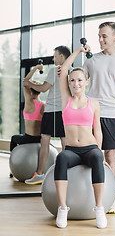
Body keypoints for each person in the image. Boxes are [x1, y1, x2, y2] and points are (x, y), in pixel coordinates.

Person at [54, 46, 107, 229]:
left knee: (97, 157)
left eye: (80, 80)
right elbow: (64, 71)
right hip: (72, 151)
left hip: (90, 148)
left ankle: (99, 208)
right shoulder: (66, 99)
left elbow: (97, 129)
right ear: (69, 82)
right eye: (73, 80)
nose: (76, 84)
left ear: (86, 82)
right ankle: (62, 208)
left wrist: (99, 151)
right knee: (61, 157)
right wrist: (78, 51)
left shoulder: (93, 103)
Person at [83, 22, 115, 178]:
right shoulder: (91, 60)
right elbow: (78, 80)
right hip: (91, 112)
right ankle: (92, 193)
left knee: (110, 155)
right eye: (99, 36)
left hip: (112, 113)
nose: (100, 40)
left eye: (104, 36)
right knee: (91, 154)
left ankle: (110, 194)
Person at [23, 46, 71, 185]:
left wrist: (29, 83)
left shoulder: (55, 70)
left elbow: (43, 88)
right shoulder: (72, 71)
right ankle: (67, 173)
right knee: (65, 142)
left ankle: (40, 174)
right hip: (65, 111)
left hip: (51, 111)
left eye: (55, 56)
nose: (53, 58)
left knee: (44, 141)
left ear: (62, 56)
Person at [10, 65, 45, 177]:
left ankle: (13, 167)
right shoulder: (44, 105)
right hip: (40, 138)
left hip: (28, 138)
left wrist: (35, 68)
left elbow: (25, 81)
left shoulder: (29, 102)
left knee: (13, 138)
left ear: (30, 90)